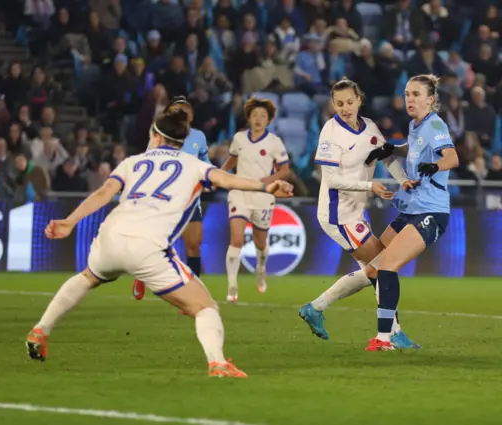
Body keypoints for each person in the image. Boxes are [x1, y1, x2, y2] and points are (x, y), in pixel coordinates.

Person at [25, 110, 293, 377]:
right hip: (148, 248)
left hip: (110, 237)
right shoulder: (195, 166)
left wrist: (70, 221)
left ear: (154, 135)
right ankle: (218, 363)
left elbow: (104, 192)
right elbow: (227, 179)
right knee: (204, 307)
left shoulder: (133, 162)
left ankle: (41, 329)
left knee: (88, 277)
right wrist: (265, 187)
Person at [297, 78, 420, 348]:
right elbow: (331, 179)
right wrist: (370, 185)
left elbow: (386, 156)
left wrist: (404, 181)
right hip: (337, 214)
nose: (345, 107)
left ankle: (316, 308)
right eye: (339, 103)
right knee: (382, 266)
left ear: (359, 100)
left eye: (350, 102)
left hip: (356, 212)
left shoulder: (370, 128)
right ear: (333, 104)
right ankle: (394, 333)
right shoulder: (330, 132)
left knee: (374, 269)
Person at [364, 74, 458, 351]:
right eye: (407, 94)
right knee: (372, 268)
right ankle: (394, 331)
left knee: (387, 264)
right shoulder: (415, 126)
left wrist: (436, 166)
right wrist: (395, 149)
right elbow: (415, 150)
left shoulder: (435, 124)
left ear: (430, 99)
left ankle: (384, 339)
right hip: (411, 208)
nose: (410, 99)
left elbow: (452, 157)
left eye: (416, 94)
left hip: (431, 211)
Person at [132, 96, 210, 302]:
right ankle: (141, 275)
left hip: (190, 197)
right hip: (165, 196)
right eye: (178, 108)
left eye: (186, 108)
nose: (183, 111)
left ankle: (193, 294)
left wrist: (211, 177)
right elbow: (150, 160)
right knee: (155, 241)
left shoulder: (199, 137)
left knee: (194, 244)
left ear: (192, 114)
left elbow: (205, 162)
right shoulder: (159, 133)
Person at [219, 97, 290, 302]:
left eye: (263, 116)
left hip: (262, 196)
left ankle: (260, 267)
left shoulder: (274, 142)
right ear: (248, 118)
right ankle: (232, 285)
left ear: (268, 120)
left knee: (260, 243)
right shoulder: (239, 138)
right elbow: (232, 159)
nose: (258, 119)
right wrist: (219, 174)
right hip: (239, 192)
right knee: (237, 240)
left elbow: (285, 169)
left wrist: (269, 179)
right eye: (255, 115)